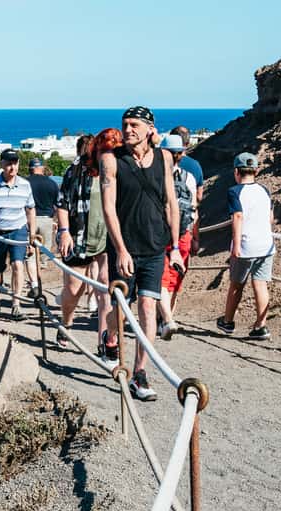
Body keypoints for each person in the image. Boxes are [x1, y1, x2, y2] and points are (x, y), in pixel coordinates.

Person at [99, 106, 184, 401]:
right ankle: (109, 337)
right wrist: (120, 249)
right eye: (125, 124)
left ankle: (140, 372)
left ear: (150, 129)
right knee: (121, 310)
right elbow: (108, 208)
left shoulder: (164, 157)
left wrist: (174, 247)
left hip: (154, 245)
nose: (128, 129)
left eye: (135, 124)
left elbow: (172, 203)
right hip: (125, 246)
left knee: (148, 306)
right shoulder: (111, 160)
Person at [56, 133, 112, 360]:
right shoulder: (75, 171)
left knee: (106, 288)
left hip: (106, 238)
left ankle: (105, 341)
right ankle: (66, 324)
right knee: (73, 290)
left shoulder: (112, 169)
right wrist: (64, 232)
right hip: (79, 237)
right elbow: (61, 203)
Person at [218, 153, 274, 341]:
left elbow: (238, 217)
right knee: (260, 284)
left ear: (236, 172)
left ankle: (227, 321)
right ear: (256, 170)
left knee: (236, 284)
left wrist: (236, 245)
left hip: (246, 246)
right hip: (266, 244)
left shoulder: (234, 192)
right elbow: (270, 218)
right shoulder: (265, 190)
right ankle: (261, 325)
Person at [0, 148, 36, 320]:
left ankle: (16, 305)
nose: (12, 167)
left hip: (18, 231)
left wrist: (31, 235)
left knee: (18, 265)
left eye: (15, 163)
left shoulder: (25, 185)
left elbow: (31, 210)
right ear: (2, 164)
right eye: (8, 163)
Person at [156, 134, 200, 340]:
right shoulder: (188, 177)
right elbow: (194, 208)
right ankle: (167, 318)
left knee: (160, 279)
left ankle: (165, 320)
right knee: (174, 280)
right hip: (183, 234)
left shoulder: (154, 175)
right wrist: (194, 236)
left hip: (158, 233)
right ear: (180, 154)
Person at [25, 158, 59, 295]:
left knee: (30, 254)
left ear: (30, 168)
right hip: (46, 220)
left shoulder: (25, 182)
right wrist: (55, 221)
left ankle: (34, 283)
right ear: (42, 168)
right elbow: (58, 205)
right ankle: (38, 281)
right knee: (44, 255)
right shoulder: (52, 183)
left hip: (28, 220)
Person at [169, 126, 205, 204]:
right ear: (187, 144)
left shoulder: (160, 162)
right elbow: (199, 196)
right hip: (186, 212)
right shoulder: (195, 165)